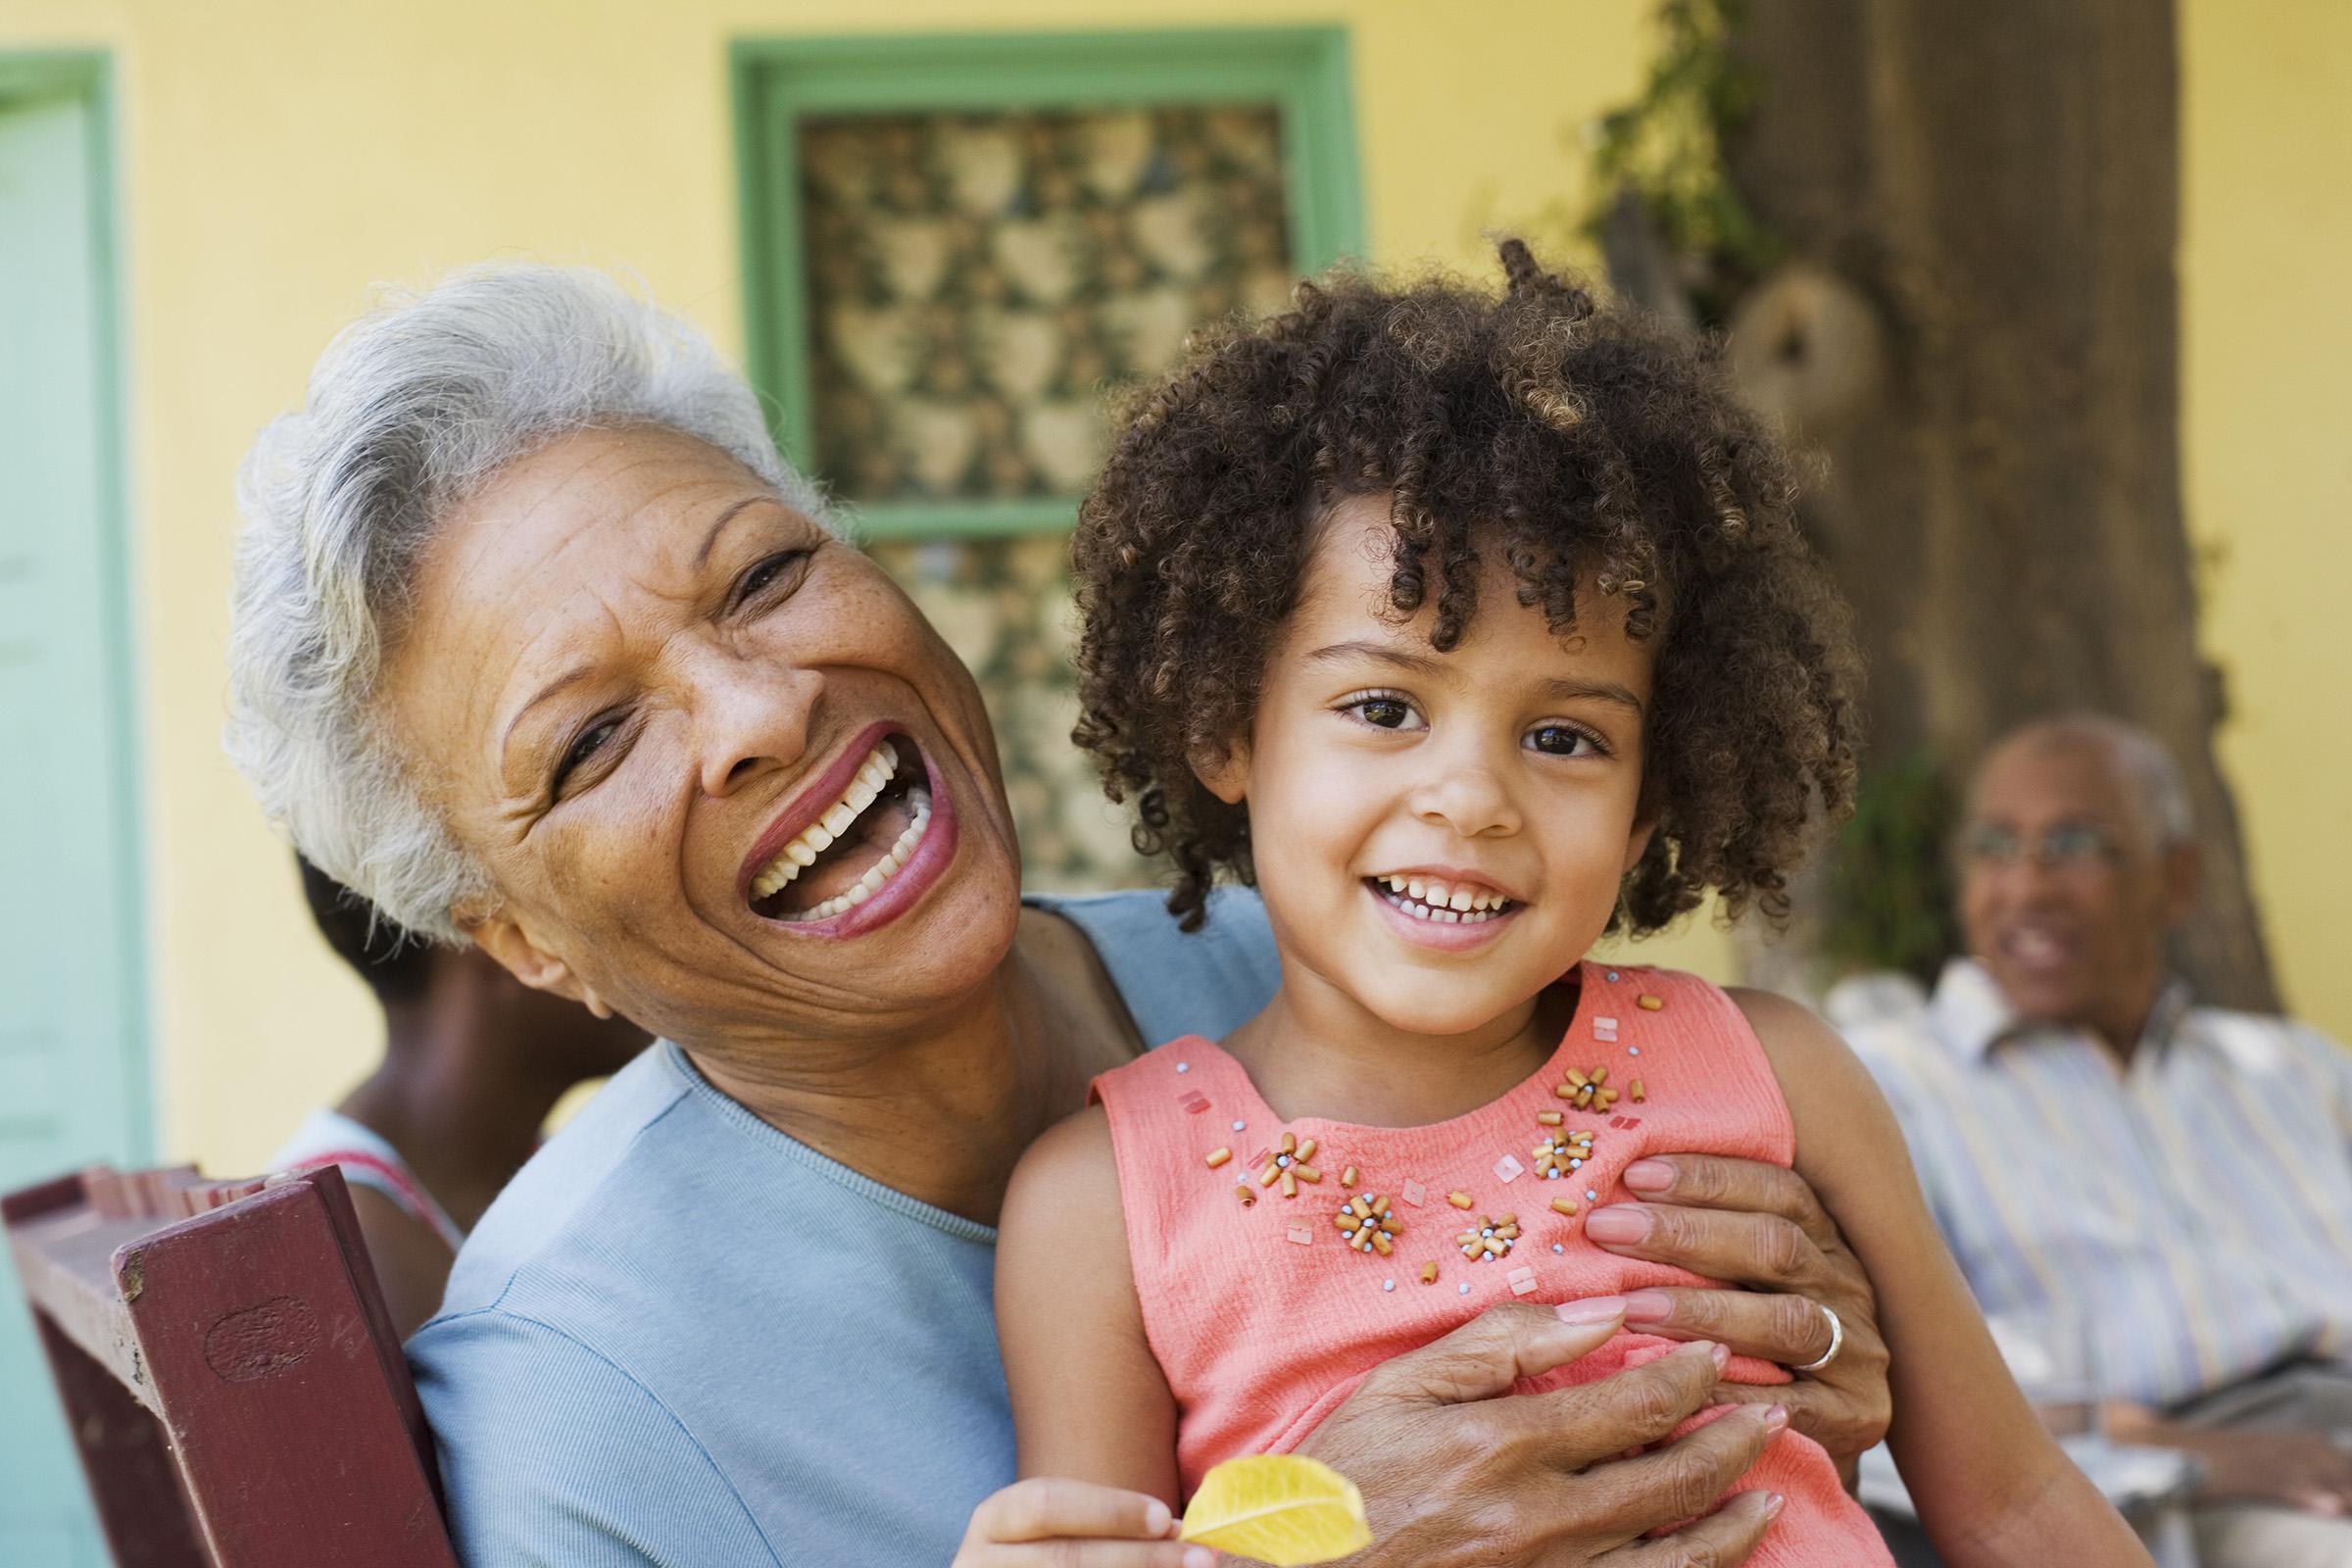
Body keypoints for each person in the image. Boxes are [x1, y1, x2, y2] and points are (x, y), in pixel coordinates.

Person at [227, 261, 1897, 1568]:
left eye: (763, 577)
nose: (751, 711)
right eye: (591, 741)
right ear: (521, 941)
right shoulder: (588, 1401)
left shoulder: (1325, 965)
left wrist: (1801, 1353)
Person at [987, 244, 2145, 1568]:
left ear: (1657, 792)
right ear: (1223, 726)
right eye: (1381, 709)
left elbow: (2013, 1503)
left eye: (1566, 739)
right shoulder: (1103, 1209)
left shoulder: (1778, 1078)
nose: (1472, 797)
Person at [1840, 713, 2352, 1568]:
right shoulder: (1890, 1089)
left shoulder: (2295, 1072)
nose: (2027, 887)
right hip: (2169, 1498)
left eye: (2075, 844)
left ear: (2176, 879)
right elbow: (1879, 1407)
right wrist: (2184, 1457)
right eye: (1994, 848)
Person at [271, 855, 650, 1336]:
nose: (648, 945)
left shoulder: (536, 1172)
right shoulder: (355, 1248)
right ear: (498, 941)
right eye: (592, 906)